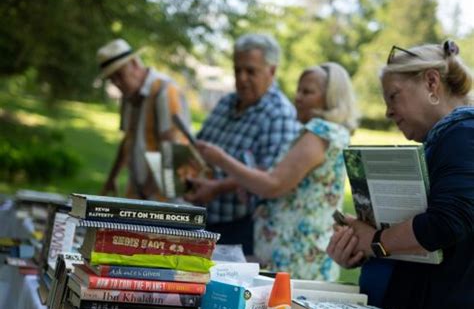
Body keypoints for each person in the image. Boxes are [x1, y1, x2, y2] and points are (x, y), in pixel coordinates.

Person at [327, 40, 474, 309]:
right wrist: (360, 244)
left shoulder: (463, 134)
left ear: (432, 83)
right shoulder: (444, 138)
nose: (389, 111)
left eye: (393, 96)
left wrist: (376, 242)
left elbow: (447, 221)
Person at [195, 62, 359, 278]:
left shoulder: (320, 132)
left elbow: (273, 185)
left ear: (330, 98)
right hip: (299, 254)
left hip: (296, 259)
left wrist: (221, 159)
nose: (297, 97)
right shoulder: (330, 133)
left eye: (307, 92)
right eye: (298, 90)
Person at [185, 33, 299, 253]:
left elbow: (271, 174)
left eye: (250, 71)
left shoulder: (279, 114)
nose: (242, 78)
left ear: (271, 71)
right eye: (237, 70)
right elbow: (200, 146)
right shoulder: (227, 102)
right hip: (202, 218)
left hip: (241, 227)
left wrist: (217, 188)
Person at [97, 38, 190, 199]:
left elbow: (172, 146)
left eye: (119, 75)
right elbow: (128, 140)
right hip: (139, 189)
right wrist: (112, 178)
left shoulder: (164, 89)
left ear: (134, 63)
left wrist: (147, 191)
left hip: (165, 194)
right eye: (112, 79)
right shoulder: (129, 95)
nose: (117, 83)